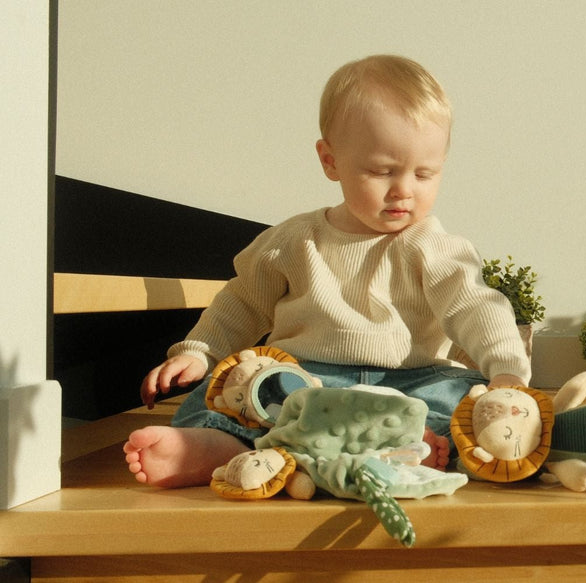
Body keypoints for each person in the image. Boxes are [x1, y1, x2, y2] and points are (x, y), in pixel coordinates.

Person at [123, 54, 531, 489]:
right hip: (307, 380)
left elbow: (475, 305)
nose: (403, 190)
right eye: (382, 171)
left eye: (425, 174)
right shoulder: (293, 241)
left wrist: (506, 370)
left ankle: (407, 442)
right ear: (330, 160)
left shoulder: (435, 246)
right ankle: (215, 447)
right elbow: (241, 303)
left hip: (409, 382)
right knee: (228, 392)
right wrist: (198, 352)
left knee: (462, 397)